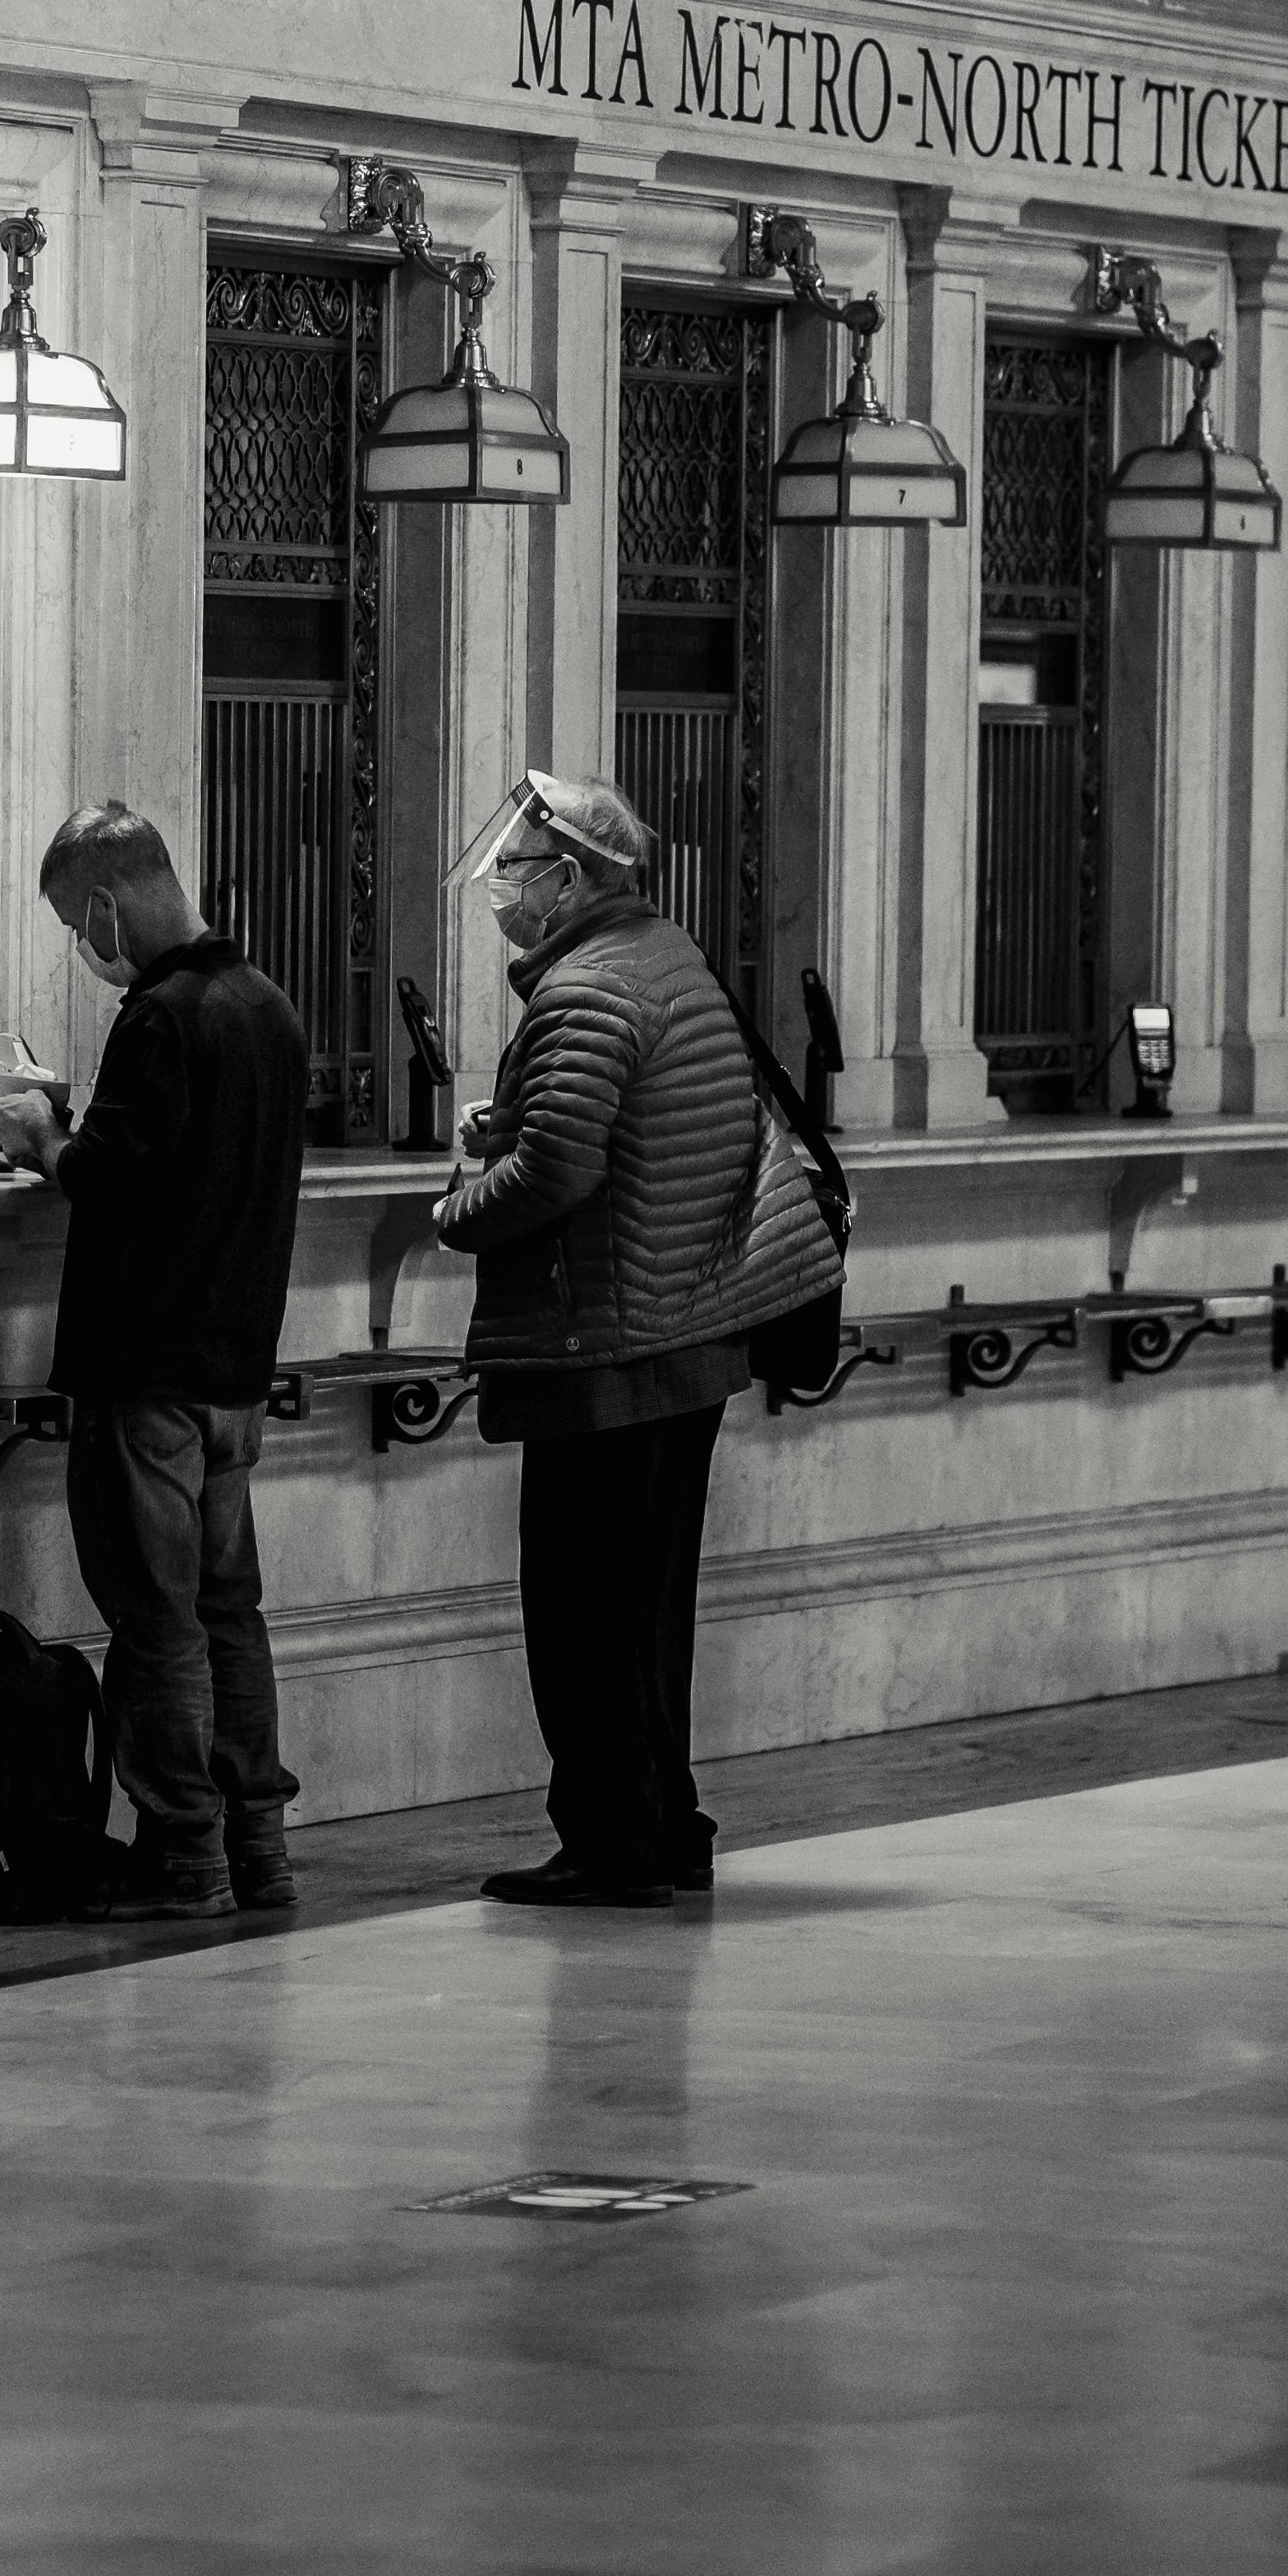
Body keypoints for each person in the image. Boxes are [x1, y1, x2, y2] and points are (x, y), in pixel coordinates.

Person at [435, 772, 830, 1913]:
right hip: (684, 1331)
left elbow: (559, 1171)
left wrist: (460, 1202)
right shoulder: (667, 958)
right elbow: (627, 1132)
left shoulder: (587, 989)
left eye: (516, 867)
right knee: (648, 1608)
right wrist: (518, 1125)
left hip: (602, 1344)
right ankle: (663, 1820)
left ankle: (608, 1835)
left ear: (569, 876)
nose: (502, 888)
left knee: (582, 1608)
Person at [0, 803, 307, 1919]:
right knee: (230, 1613)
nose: (84, 943)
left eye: (79, 919)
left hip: (148, 1372)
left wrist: (40, 1141)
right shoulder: (268, 1008)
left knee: (158, 1618)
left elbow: (114, 1178)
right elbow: (203, 1156)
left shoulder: (160, 1018)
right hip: (234, 1368)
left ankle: (185, 1853)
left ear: (110, 902)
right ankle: (258, 1847)